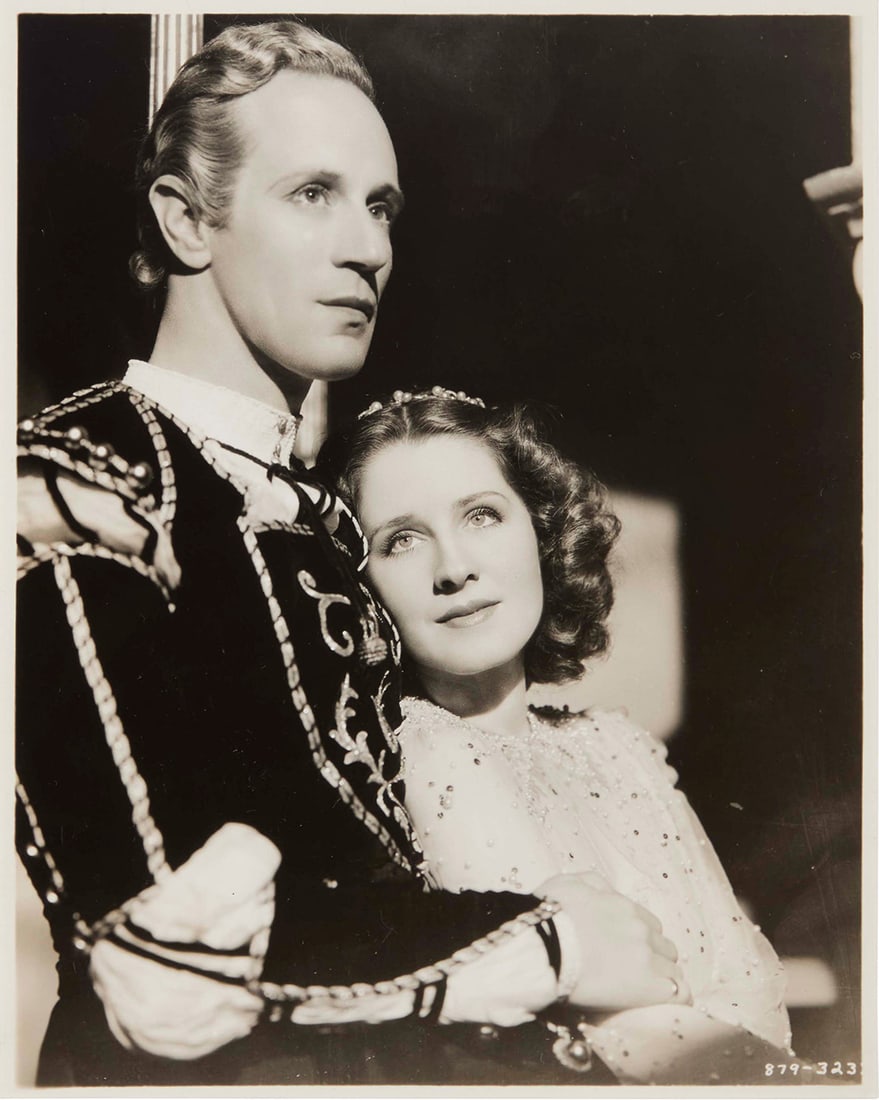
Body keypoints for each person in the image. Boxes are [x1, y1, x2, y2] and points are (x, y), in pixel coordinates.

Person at [17, 20, 689, 1088]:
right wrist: (552, 942)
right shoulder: (90, 475)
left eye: (381, 206)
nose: (368, 246)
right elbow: (164, 959)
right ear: (187, 220)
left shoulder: (328, 515)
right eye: (313, 193)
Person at [317, 385, 798, 1084]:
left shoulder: (615, 746)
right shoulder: (425, 752)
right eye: (401, 540)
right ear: (362, 588)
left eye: (481, 515)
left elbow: (747, 988)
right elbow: (615, 1036)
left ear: (540, 532)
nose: (453, 568)